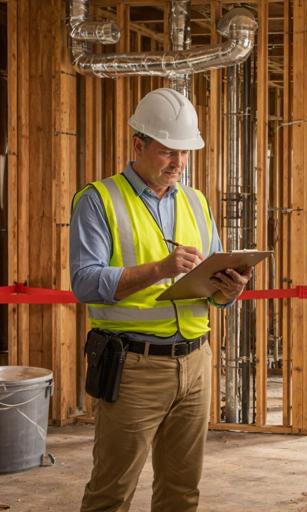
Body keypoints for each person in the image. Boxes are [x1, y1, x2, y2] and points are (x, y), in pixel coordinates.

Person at [70, 87, 251, 512]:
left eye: (185, 154)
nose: (179, 164)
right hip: (133, 367)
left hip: (195, 362)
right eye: (169, 152)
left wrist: (228, 291)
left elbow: (210, 284)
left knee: (182, 491)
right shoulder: (99, 199)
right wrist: (159, 268)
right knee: (111, 493)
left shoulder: (196, 201)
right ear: (139, 144)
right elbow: (84, 281)